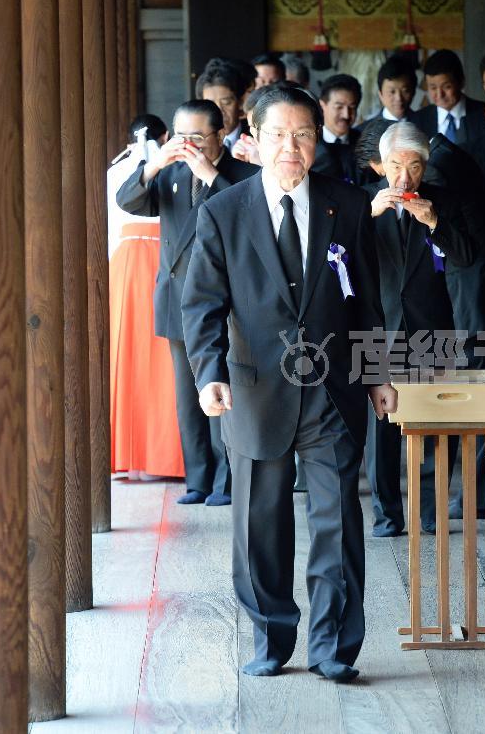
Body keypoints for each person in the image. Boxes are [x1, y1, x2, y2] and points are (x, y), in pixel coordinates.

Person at [182, 85, 394, 682]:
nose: (292, 147)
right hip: (254, 388)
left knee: (338, 523)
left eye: (303, 134)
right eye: (278, 135)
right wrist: (209, 372)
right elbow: (200, 304)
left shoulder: (347, 205)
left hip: (332, 391)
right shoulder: (223, 212)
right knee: (260, 527)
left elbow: (368, 302)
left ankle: (333, 647)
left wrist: (376, 374)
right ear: (252, 137)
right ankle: (272, 638)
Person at [116, 99, 259, 506]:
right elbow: (128, 200)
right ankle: (197, 480)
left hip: (227, 304)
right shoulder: (170, 173)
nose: (189, 145)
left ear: (219, 135)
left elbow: (252, 220)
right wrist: (156, 164)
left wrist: (211, 175)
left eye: (197, 137)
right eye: (181, 137)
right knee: (187, 398)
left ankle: (226, 482)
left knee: (223, 392)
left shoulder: (243, 174)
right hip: (179, 300)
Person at [362, 122, 475, 536]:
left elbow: (466, 258)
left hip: (434, 326)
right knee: (382, 428)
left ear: (425, 167)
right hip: (378, 326)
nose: (404, 177)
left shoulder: (445, 201)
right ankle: (387, 515)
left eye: (413, 166)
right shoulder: (362, 204)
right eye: (396, 165)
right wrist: (367, 214)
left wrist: (434, 222)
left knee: (433, 423)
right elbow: (335, 255)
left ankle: (430, 512)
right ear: (381, 166)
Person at [424, 131, 485, 514]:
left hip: (481, 295)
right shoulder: (446, 153)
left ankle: (483, 497)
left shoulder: (438, 166)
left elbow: (462, 248)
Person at [108, 114, 184, 481]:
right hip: (162, 256)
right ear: (167, 135)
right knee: (165, 359)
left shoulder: (117, 170)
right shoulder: (174, 166)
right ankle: (164, 455)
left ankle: (130, 454)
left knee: (131, 355)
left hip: (125, 262)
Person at [410, 49, 485, 175]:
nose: (439, 94)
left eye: (446, 87)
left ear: (461, 82)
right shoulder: (419, 120)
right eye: (433, 88)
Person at [313, 74, 362, 184]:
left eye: (352, 108)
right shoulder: (310, 143)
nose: (346, 115)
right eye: (339, 107)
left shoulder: (364, 144)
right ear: (322, 105)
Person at [364, 55, 417, 128]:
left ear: (413, 92)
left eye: (405, 91)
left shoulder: (427, 126)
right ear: (380, 94)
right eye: (392, 92)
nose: (399, 98)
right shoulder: (363, 132)